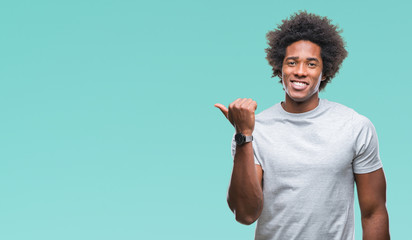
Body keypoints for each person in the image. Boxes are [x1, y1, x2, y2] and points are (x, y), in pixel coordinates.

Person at [214, 11, 390, 240]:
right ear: (279, 68)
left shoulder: (355, 126)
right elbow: (245, 214)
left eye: (311, 63)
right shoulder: (255, 129)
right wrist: (243, 135)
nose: (300, 71)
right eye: (292, 62)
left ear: (325, 72)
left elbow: (374, 211)